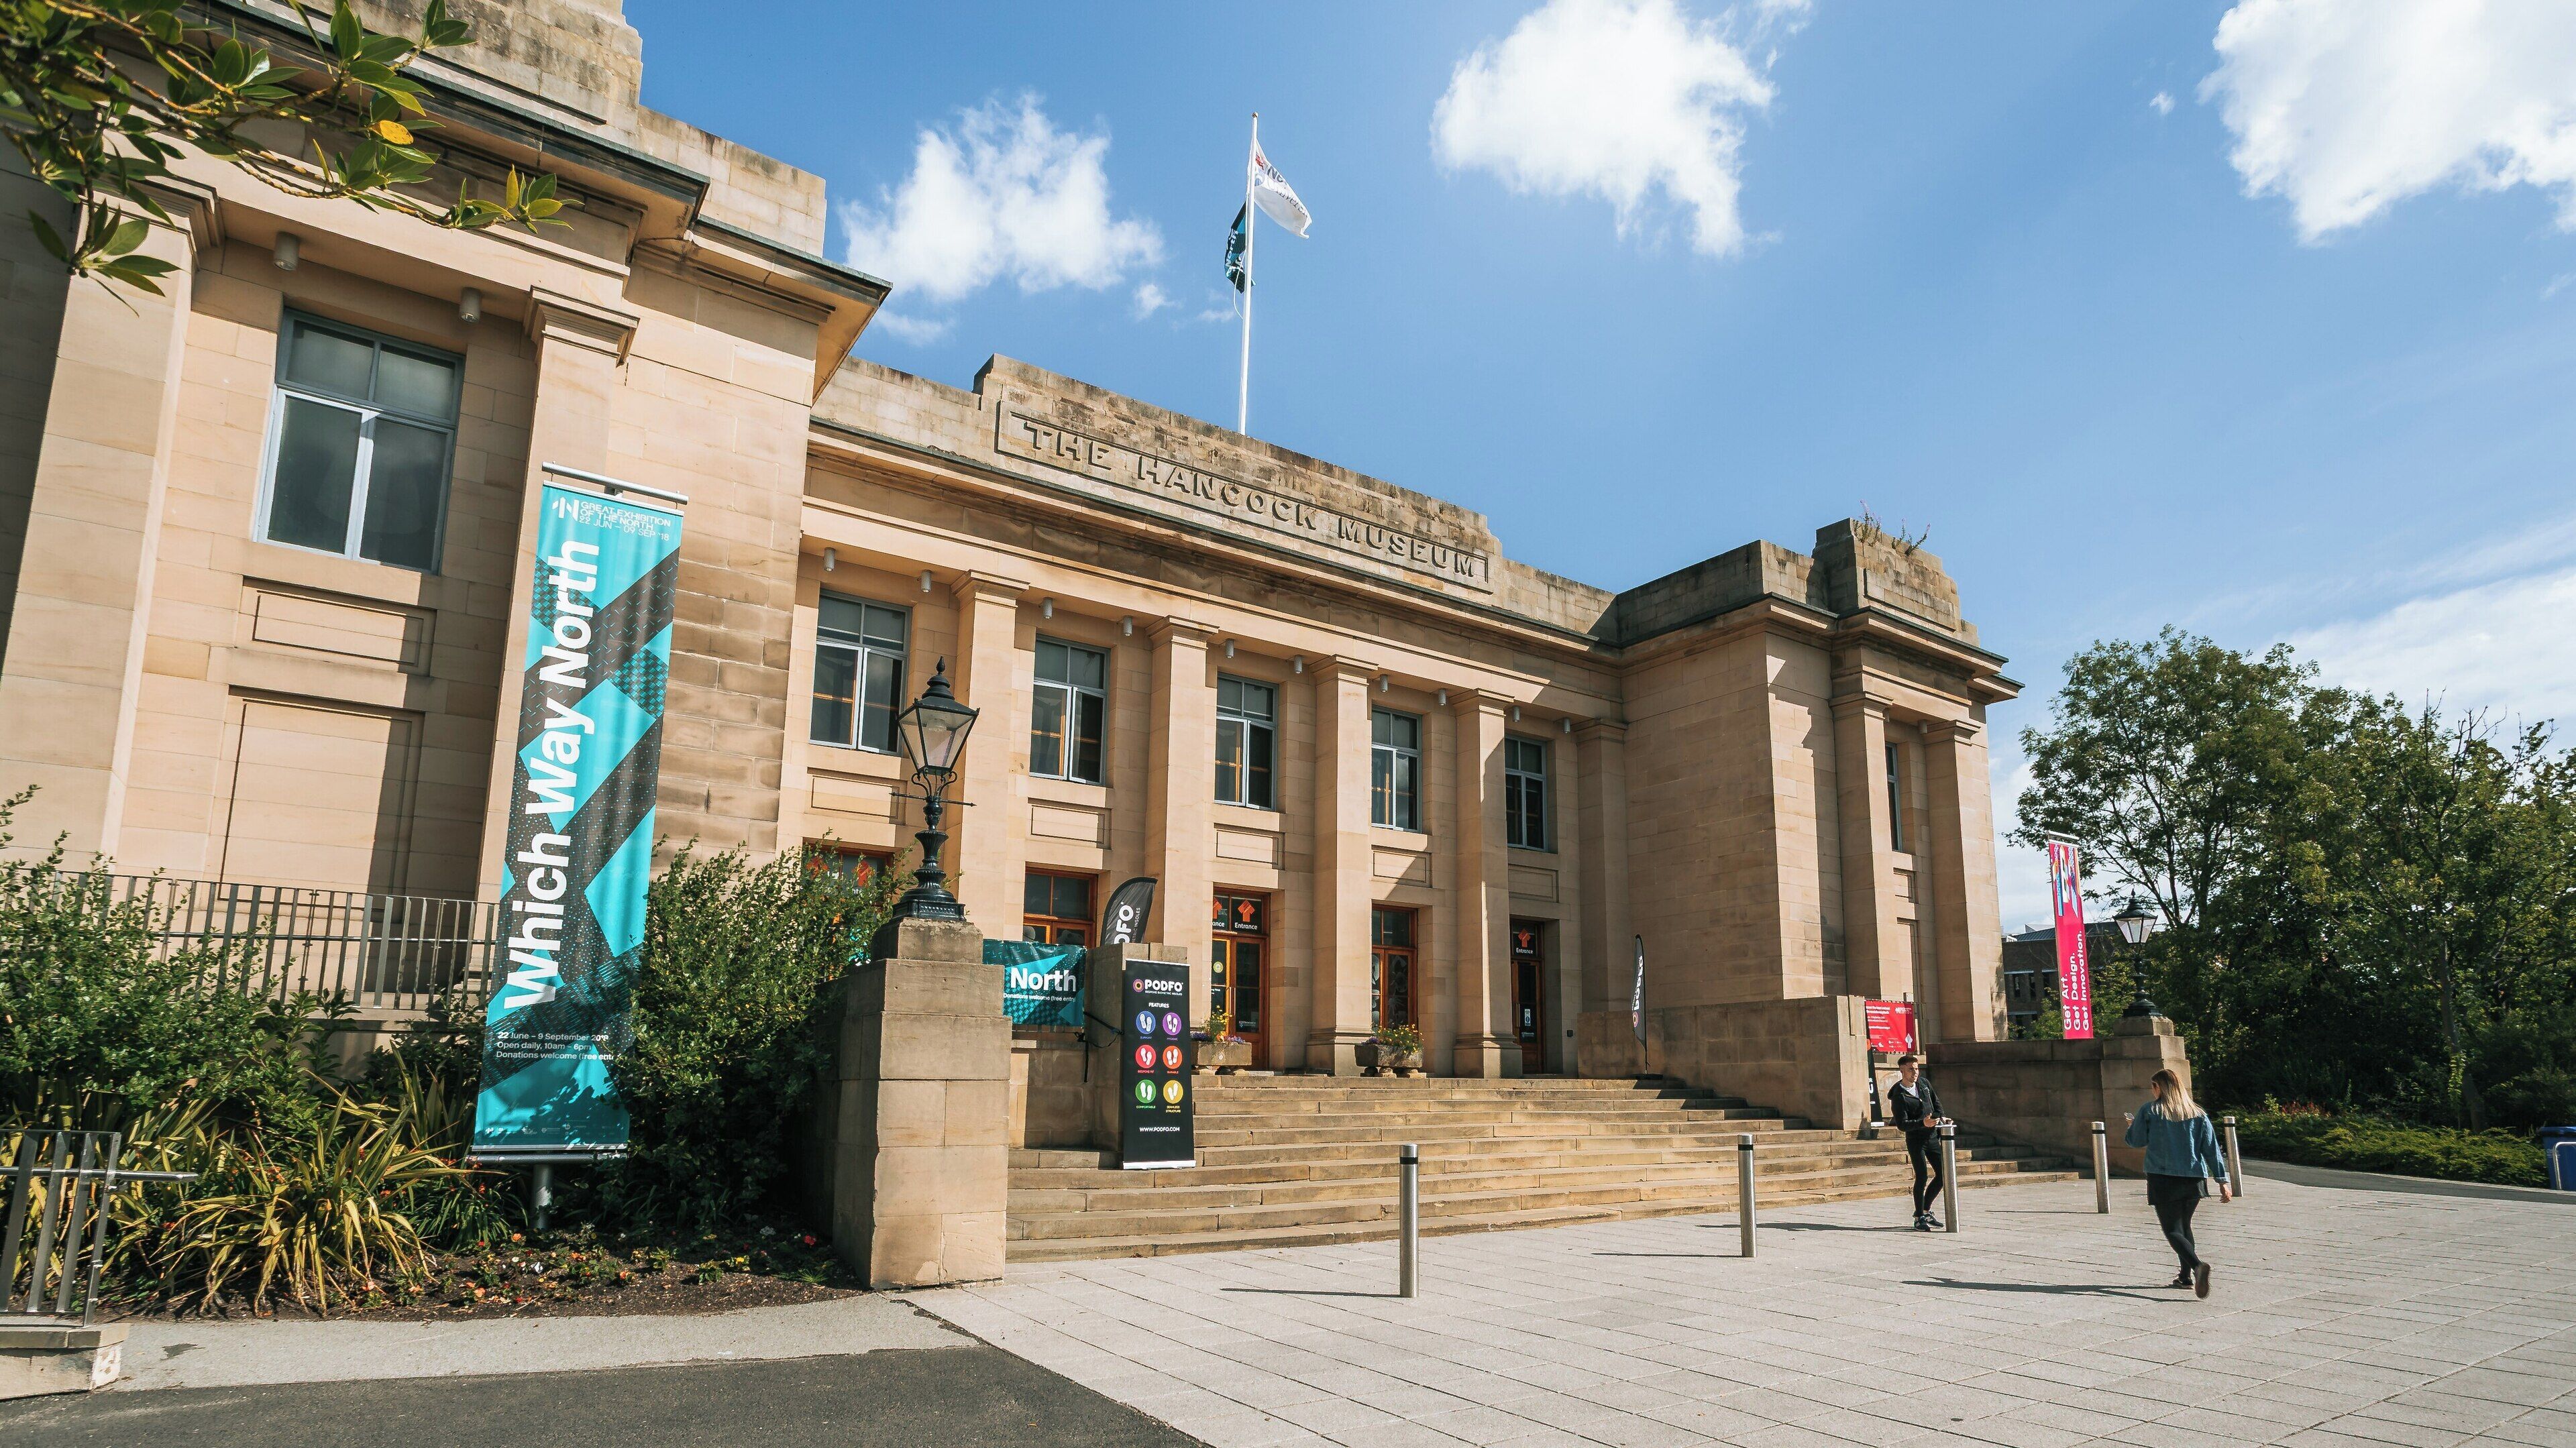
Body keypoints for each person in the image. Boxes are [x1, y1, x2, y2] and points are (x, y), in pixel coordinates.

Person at [2123, 1068, 2231, 1298]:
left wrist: (2132, 1127)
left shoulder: (2151, 1111)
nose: (2152, 1091)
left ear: (2159, 1087)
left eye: (2153, 1087)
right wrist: (2222, 1180)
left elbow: (2136, 1141)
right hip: (2194, 1177)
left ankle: (2197, 1265)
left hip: (2163, 1177)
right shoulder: (2198, 1113)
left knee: (2172, 1229)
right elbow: (2211, 1149)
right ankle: (2185, 1277)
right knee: (2185, 1227)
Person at [1886, 1054, 1948, 1230]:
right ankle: (1919, 1217)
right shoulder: (1899, 1095)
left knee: (1943, 1175)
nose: (1915, 1072)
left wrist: (1941, 1117)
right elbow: (1902, 1125)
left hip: (1932, 1136)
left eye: (1917, 1068)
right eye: (1911, 1069)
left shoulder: (1924, 1084)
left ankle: (1926, 1210)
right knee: (1922, 1176)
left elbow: (1936, 1103)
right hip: (1916, 1140)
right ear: (1902, 1071)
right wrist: (1922, 1123)